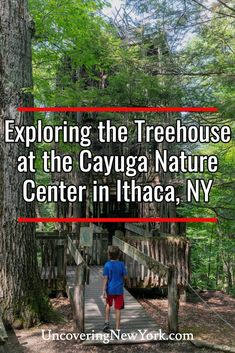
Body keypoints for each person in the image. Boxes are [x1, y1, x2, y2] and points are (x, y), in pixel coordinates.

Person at [102, 245, 129, 333]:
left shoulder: (107, 265)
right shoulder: (121, 264)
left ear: (109, 255)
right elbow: (125, 277)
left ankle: (106, 323)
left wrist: (103, 290)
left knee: (108, 305)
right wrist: (126, 280)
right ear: (118, 255)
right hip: (119, 290)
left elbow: (105, 278)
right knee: (118, 309)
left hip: (109, 290)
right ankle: (117, 329)